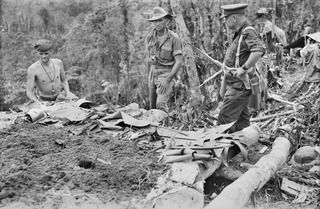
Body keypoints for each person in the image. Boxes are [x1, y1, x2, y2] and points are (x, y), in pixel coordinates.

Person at [218, 3, 266, 133]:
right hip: (236, 84)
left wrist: (243, 68)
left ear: (233, 18)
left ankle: (225, 150)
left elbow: (258, 50)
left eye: (226, 19)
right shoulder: (240, 34)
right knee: (241, 120)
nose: (225, 22)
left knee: (224, 119)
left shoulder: (247, 32)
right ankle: (240, 149)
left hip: (238, 86)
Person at [146, 7, 183, 112]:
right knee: (152, 107)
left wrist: (168, 80)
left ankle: (165, 126)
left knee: (160, 104)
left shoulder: (173, 38)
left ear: (167, 20)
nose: (157, 23)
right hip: (153, 73)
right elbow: (149, 57)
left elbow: (179, 61)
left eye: (160, 20)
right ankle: (155, 127)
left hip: (166, 73)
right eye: (155, 21)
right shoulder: (150, 36)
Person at [26, 39, 77, 104]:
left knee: (80, 104)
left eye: (46, 53)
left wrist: (68, 93)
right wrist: (38, 103)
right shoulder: (32, 69)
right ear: (37, 53)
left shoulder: (58, 63)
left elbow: (64, 81)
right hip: (44, 100)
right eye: (41, 54)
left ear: (51, 52)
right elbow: (29, 92)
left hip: (60, 97)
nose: (44, 56)